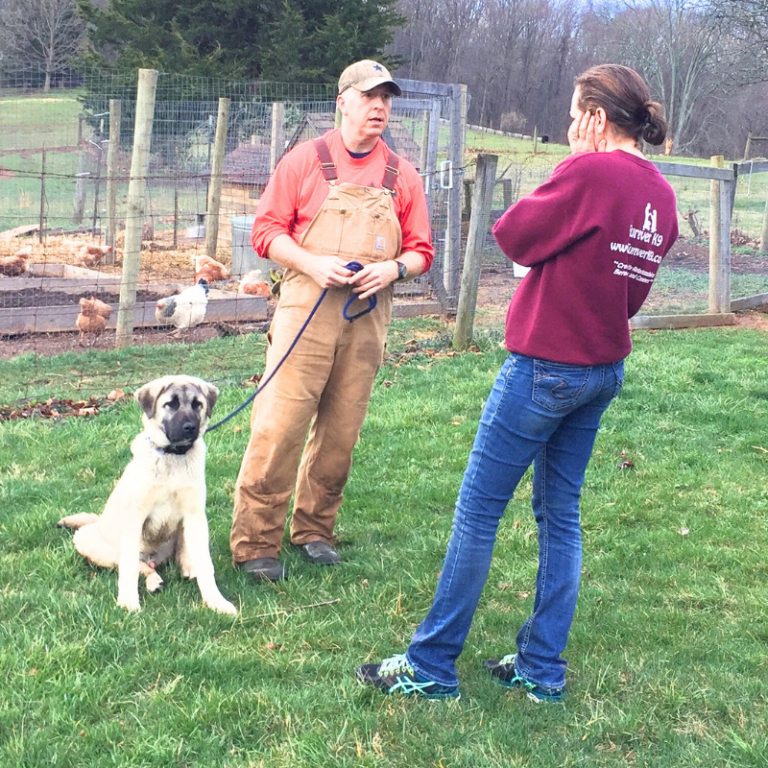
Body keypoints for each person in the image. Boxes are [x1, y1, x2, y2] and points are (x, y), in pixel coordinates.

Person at [356, 64, 679, 702]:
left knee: (479, 510)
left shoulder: (589, 171)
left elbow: (511, 236)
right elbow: (629, 293)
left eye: (572, 113)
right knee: (561, 516)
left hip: (544, 368)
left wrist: (577, 160)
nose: (566, 125)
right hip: (601, 370)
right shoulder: (660, 193)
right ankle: (542, 669)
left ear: (593, 117)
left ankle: (432, 664)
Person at [231, 60, 434, 582]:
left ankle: (315, 529)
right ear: (342, 102)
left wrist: (392, 268)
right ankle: (256, 541)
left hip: (367, 316)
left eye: (386, 99)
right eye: (369, 97)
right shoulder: (305, 161)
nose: (379, 107)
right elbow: (266, 232)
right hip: (306, 308)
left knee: (341, 431)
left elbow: (421, 252)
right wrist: (309, 261)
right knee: (280, 426)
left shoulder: (401, 175)